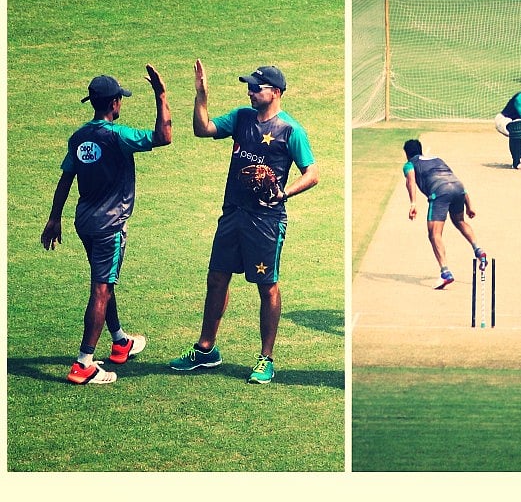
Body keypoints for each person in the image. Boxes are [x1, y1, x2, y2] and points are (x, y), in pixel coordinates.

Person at [169, 60, 319, 384]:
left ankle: (266, 358)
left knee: (267, 287)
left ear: (275, 92)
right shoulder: (241, 117)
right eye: (248, 87)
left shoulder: (290, 130)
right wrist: (201, 95)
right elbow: (202, 128)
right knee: (216, 279)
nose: (250, 92)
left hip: (266, 222)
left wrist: (284, 193)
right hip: (233, 214)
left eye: (256, 87)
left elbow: (312, 173)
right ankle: (206, 349)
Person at [42, 66, 172, 384]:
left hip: (84, 222)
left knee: (104, 282)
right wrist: (161, 94)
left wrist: (54, 218)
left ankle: (120, 341)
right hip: (109, 226)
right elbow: (164, 137)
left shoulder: (79, 138)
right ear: (115, 103)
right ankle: (83, 363)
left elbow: (66, 178)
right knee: (101, 289)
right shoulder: (118, 136)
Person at [403, 139, 487, 289]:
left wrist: (413, 204)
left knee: (434, 234)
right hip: (458, 189)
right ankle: (478, 250)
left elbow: (410, 181)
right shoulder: (438, 159)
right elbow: (454, 179)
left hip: (439, 192)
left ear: (407, 154)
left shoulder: (410, 164)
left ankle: (445, 273)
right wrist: (469, 205)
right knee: (460, 221)